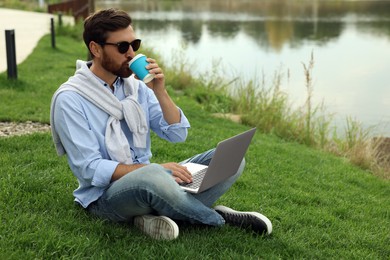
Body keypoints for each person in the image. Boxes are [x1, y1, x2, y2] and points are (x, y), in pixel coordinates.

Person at [50, 8, 272, 240]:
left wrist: (160, 90)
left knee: (231, 160)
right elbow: (90, 168)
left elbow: (177, 134)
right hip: (104, 198)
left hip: (151, 179)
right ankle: (217, 218)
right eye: (123, 47)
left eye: (134, 44)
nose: (132, 54)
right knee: (153, 176)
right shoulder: (70, 99)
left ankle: (151, 215)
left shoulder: (136, 87)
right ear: (95, 48)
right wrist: (156, 171)